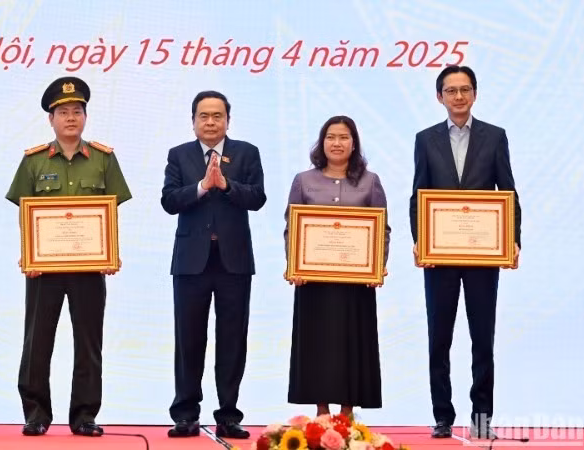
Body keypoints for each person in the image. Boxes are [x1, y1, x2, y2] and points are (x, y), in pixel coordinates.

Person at [5, 76, 132, 437]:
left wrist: (111, 253)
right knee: (37, 341)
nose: (71, 118)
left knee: (89, 343)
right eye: (63, 112)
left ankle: (84, 415)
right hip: (44, 270)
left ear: (86, 117)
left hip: (90, 268)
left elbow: (110, 212)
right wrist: (28, 255)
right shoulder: (33, 161)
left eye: (77, 111)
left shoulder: (104, 160)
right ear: (51, 119)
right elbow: (24, 213)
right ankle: (36, 413)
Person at [409, 66, 521, 439]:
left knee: (482, 338)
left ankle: (482, 418)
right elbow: (418, 195)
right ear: (439, 97)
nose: (458, 97)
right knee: (439, 337)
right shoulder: (425, 139)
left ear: (475, 94)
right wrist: (419, 239)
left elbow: (507, 193)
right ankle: (443, 416)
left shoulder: (495, 137)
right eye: (450, 90)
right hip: (439, 255)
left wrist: (513, 239)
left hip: (482, 257)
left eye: (465, 89)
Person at [161, 90, 266, 439]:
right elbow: (169, 201)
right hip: (191, 264)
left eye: (217, 116)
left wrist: (227, 185)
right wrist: (203, 186)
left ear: (227, 121)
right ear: (193, 121)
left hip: (233, 263)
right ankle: (185, 414)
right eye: (203, 116)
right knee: (188, 340)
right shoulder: (179, 156)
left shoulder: (247, 153)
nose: (210, 122)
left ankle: (229, 415)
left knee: (232, 341)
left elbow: (257, 198)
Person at [284, 115, 390, 418]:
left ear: (353, 143)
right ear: (322, 142)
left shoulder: (370, 181)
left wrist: (377, 266)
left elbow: (382, 228)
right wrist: (294, 265)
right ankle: (321, 410)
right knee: (318, 344)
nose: (337, 143)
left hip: (356, 282)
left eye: (344, 137)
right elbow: (292, 226)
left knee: (351, 344)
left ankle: (347, 411)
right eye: (331, 137)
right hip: (313, 282)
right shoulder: (303, 180)